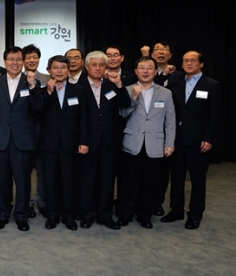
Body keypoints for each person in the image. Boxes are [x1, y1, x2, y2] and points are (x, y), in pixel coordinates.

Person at [0, 46, 43, 231]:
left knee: (23, 180)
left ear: (23, 62)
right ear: (5, 62)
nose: (15, 63)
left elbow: (38, 108)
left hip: (23, 139)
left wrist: (33, 86)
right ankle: (2, 214)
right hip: (0, 137)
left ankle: (21, 215)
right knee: (1, 180)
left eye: (19, 59)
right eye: (11, 59)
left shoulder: (31, 81)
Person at [162, 51, 221, 230]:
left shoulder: (211, 85)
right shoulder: (175, 82)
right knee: (177, 178)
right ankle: (176, 210)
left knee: (197, 180)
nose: (188, 63)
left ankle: (195, 215)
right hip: (176, 138)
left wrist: (209, 138)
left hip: (199, 140)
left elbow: (214, 114)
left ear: (201, 64)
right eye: (185, 60)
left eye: (193, 60)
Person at [116, 56, 175, 229]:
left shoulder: (165, 93)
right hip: (131, 143)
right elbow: (121, 115)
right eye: (142, 67)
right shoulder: (127, 90)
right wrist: (134, 99)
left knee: (150, 183)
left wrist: (169, 143)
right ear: (136, 71)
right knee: (128, 182)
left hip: (155, 144)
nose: (145, 71)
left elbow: (170, 120)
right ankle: (124, 214)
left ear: (155, 71)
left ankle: (144, 215)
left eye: (149, 68)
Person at [78, 51, 131, 230]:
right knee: (88, 181)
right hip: (88, 142)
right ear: (86, 67)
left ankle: (105, 215)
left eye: (102, 65)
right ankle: (87, 214)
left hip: (110, 141)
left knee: (108, 180)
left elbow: (125, 104)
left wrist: (120, 85)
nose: (98, 68)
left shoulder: (112, 85)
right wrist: (82, 140)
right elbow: (77, 118)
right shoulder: (78, 87)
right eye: (94, 64)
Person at [39, 55, 88, 231]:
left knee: (69, 180)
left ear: (68, 70)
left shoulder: (79, 90)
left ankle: (68, 215)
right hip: (49, 144)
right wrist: (49, 93)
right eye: (55, 67)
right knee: (50, 181)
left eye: (63, 67)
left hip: (71, 143)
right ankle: (52, 214)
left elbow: (84, 118)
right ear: (49, 71)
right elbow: (37, 113)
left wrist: (83, 141)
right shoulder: (43, 90)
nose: (59, 71)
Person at [140, 42, 185, 216]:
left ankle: (156, 202)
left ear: (170, 55)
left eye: (164, 50)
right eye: (157, 50)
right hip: (142, 130)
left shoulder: (179, 76)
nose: (160, 52)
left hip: (164, 130)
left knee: (160, 171)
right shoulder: (142, 73)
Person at [22, 44, 50, 218]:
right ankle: (28, 203)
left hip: (44, 130)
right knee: (24, 170)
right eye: (28, 57)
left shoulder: (48, 78)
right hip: (23, 130)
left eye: (35, 57)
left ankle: (43, 202)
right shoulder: (17, 78)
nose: (32, 60)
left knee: (43, 169)